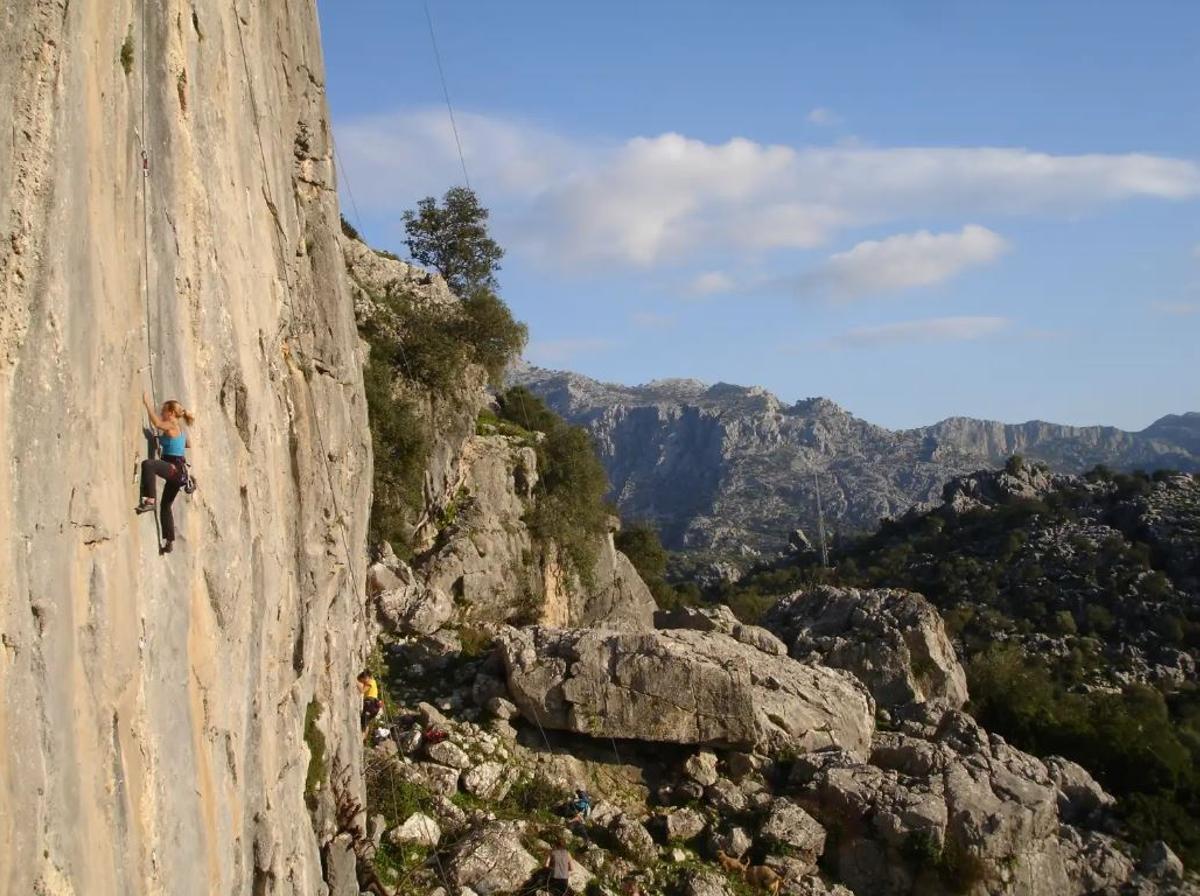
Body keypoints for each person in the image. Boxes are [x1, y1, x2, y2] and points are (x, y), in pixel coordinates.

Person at [136, 393, 194, 554]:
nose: (162, 414)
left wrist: (147, 404)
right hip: (179, 473)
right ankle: (169, 541)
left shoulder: (171, 425)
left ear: (170, 413)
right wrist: (164, 442)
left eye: (163, 411)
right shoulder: (180, 430)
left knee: (148, 465)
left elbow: (158, 423)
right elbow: (187, 444)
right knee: (166, 505)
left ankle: (149, 501)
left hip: (173, 469)